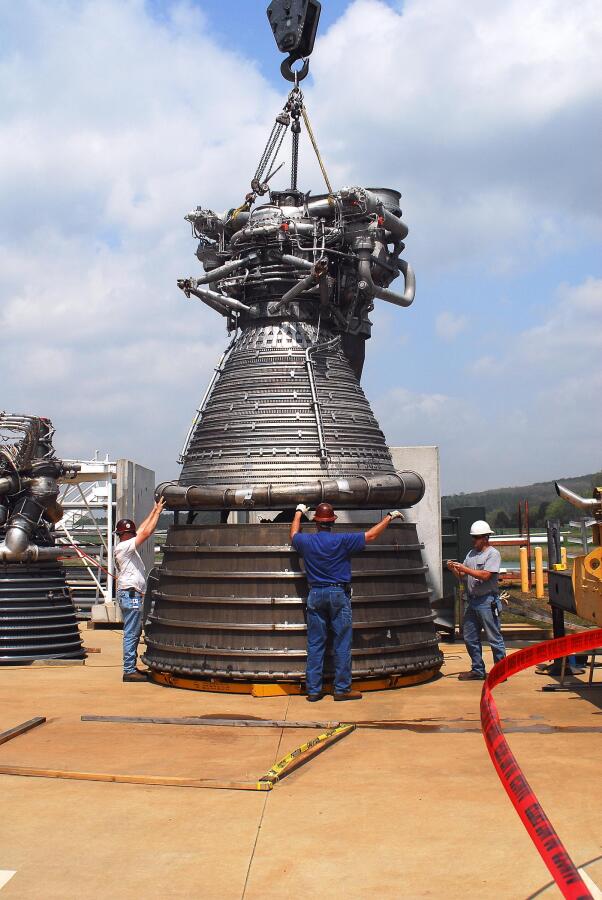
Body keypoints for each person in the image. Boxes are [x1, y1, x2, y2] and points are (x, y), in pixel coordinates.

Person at [290, 501, 405, 702]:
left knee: (315, 644)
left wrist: (299, 513)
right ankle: (342, 689)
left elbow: (293, 535)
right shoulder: (342, 540)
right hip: (338, 594)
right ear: (333, 521)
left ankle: (314, 691)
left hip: (315, 594)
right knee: (342, 642)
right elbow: (371, 535)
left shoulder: (306, 541)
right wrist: (389, 516)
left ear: (316, 522)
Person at [447, 519, 506, 681]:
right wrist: (454, 569)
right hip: (473, 602)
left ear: (485, 538)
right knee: (470, 637)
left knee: (494, 638)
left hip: (487, 601)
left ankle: (501, 672)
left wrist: (464, 568)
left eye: (476, 537)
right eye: (473, 537)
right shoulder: (471, 554)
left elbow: (486, 575)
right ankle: (478, 670)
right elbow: (462, 576)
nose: (473, 540)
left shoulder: (493, 554)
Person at [114, 498, 165, 682]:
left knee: (133, 631)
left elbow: (141, 529)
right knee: (132, 632)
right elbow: (146, 532)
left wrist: (154, 511)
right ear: (124, 534)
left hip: (130, 594)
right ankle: (129, 670)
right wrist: (157, 513)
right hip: (130, 595)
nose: (132, 535)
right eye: (130, 533)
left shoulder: (126, 546)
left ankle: (131, 667)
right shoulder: (125, 547)